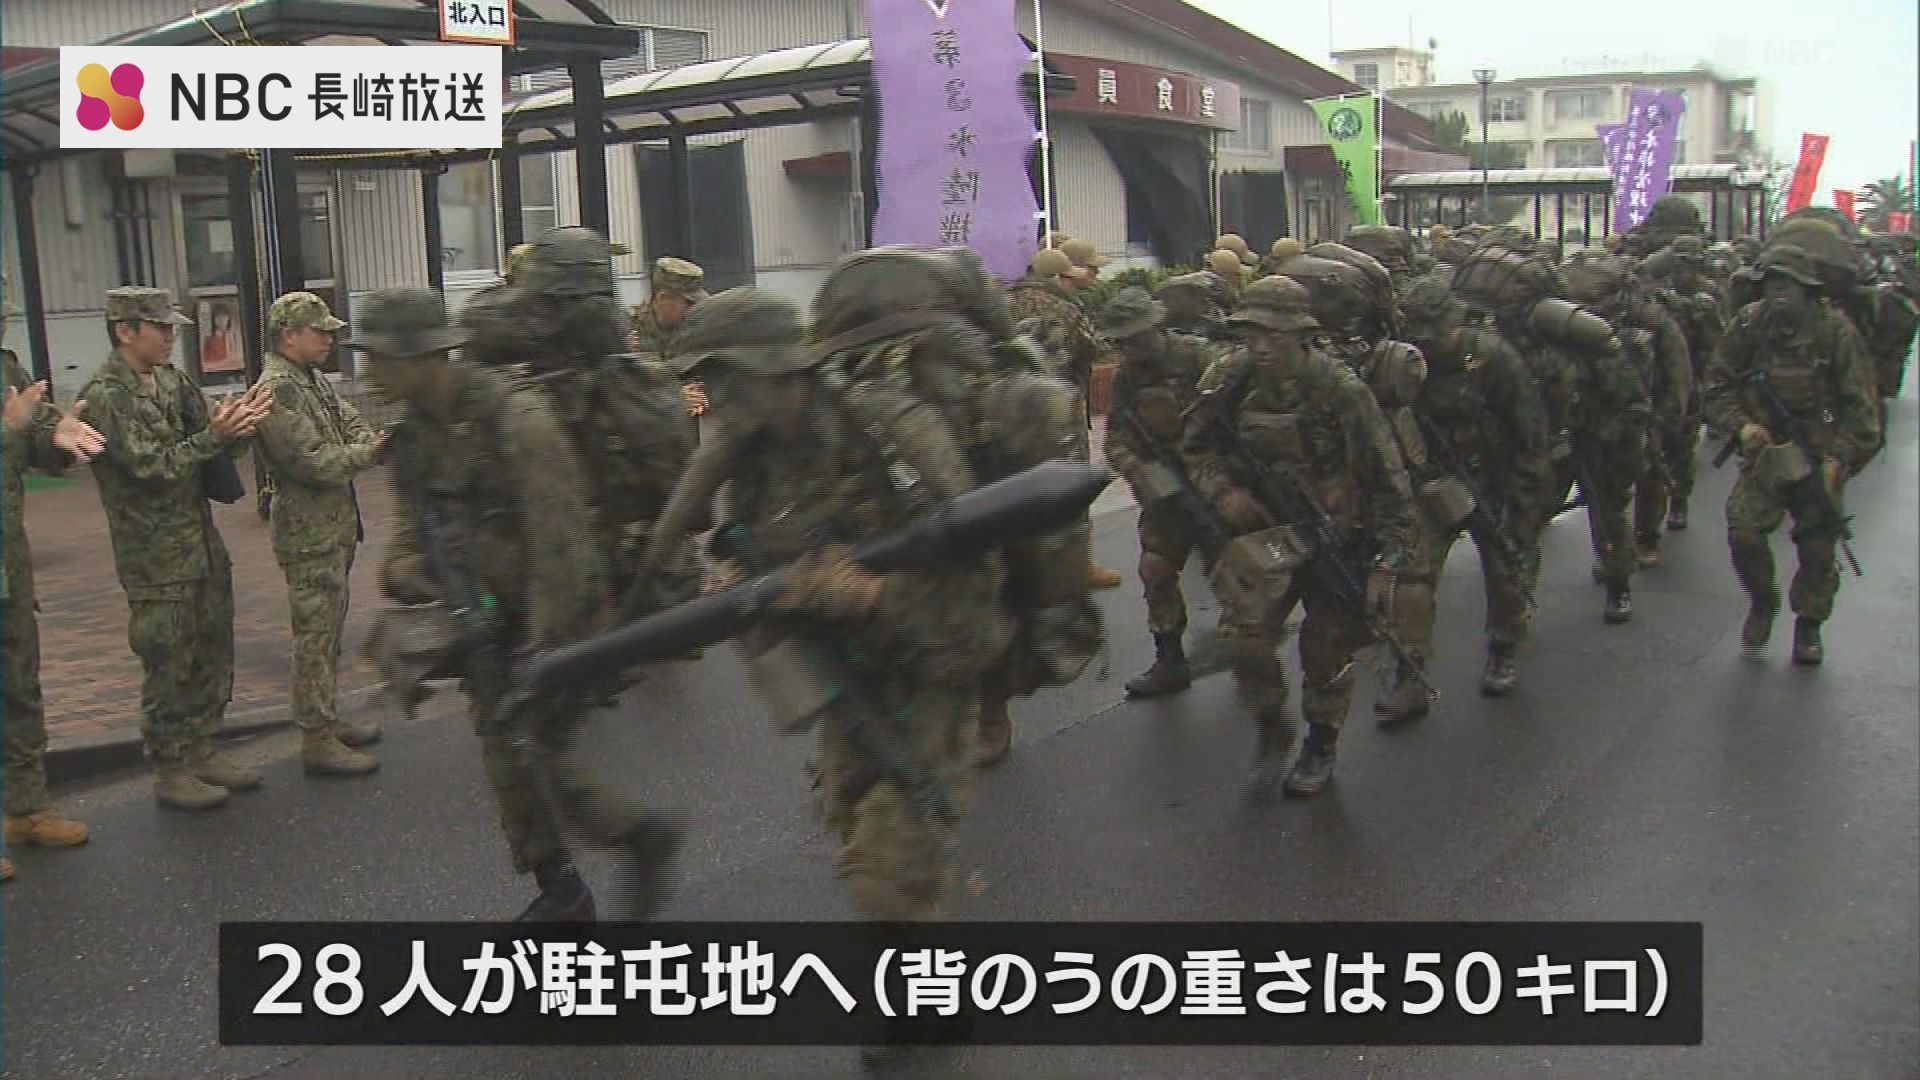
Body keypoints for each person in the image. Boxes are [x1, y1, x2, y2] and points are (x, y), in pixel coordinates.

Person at [668, 287, 1012, 1065]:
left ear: (766, 369)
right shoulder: (757, 460)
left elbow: (973, 556)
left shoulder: (889, 426)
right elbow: (756, 552)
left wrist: (872, 592)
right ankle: (933, 994)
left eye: (721, 377)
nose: (713, 398)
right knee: (865, 835)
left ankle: (914, 1002)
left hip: (932, 666)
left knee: (881, 869)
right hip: (842, 676)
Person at [359, 286, 677, 921]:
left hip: (555, 619)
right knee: (507, 758)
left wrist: (548, 647)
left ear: (426, 357)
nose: (372, 372)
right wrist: (401, 561)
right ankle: (562, 887)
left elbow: (560, 542)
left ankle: (639, 842)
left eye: (383, 358)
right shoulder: (418, 428)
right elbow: (412, 511)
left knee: (536, 757)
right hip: (486, 615)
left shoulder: (514, 420)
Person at [1180, 276, 1417, 797]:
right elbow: (1194, 449)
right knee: (1245, 643)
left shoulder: (1341, 390)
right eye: (1251, 334)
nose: (1261, 347)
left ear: (1302, 335)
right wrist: (1223, 493)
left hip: (1336, 538)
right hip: (1264, 535)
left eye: (1274, 335)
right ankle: (1271, 723)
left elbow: (1389, 479)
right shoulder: (1231, 380)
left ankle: (1321, 739)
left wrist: (1388, 564)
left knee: (1323, 647)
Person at [80, 287, 273, 811]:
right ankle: (169, 766)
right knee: (167, 658)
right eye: (159, 327)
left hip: (200, 543)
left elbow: (204, 439)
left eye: (172, 328)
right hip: (154, 556)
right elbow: (148, 467)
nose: (170, 337)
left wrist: (237, 428)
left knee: (211, 648)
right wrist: (212, 438)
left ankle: (203, 746)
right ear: (125, 330)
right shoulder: (107, 394)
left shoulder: (171, 380)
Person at [1701, 246, 1880, 664]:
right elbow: (1716, 384)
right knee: (1743, 529)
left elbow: (1864, 414)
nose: (1778, 292)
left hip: (1820, 453)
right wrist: (1742, 426)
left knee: (1817, 550)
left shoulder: (1835, 333)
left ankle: (1809, 624)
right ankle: (1763, 599)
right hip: (1767, 454)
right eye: (1771, 284)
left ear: (1808, 290)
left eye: (1788, 284)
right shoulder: (1748, 326)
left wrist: (1840, 460)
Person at [1396, 274, 1554, 695]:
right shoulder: (1405, 363)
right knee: (1413, 575)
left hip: (1495, 480)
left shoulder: (1494, 360)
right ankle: (1409, 671)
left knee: (1506, 568)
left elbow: (1530, 433)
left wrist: (1522, 502)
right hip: (1433, 480)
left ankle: (1503, 646)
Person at [249, 291, 385, 777]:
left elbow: (351, 422)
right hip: (309, 533)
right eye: (320, 330)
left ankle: (328, 718)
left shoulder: (308, 379)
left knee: (328, 631)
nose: (329, 338)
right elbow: (313, 462)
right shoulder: (278, 389)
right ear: (289, 336)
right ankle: (317, 738)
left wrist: (365, 442)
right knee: (314, 634)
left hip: (331, 527)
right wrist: (368, 453)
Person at [3, 289, 107, 867]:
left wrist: (59, 435)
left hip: (9, 566)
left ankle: (27, 808)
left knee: (20, 687)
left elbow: (35, 441)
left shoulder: (6, 369)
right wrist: (10, 430)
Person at [1099, 287, 1220, 698]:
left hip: (1215, 483)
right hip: (1165, 490)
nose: (1131, 348)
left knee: (1236, 572)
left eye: (1137, 337)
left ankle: (1251, 649)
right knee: (1156, 569)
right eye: (1123, 341)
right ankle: (1168, 658)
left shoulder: (1200, 359)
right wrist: (1133, 465)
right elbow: (1114, 436)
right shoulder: (1126, 377)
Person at [1009, 247, 1123, 591]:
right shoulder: (1063, 309)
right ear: (1061, 277)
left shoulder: (1004, 301)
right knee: (1073, 484)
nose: (1090, 279)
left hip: (1013, 407)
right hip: (1059, 407)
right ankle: (1078, 565)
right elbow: (1093, 348)